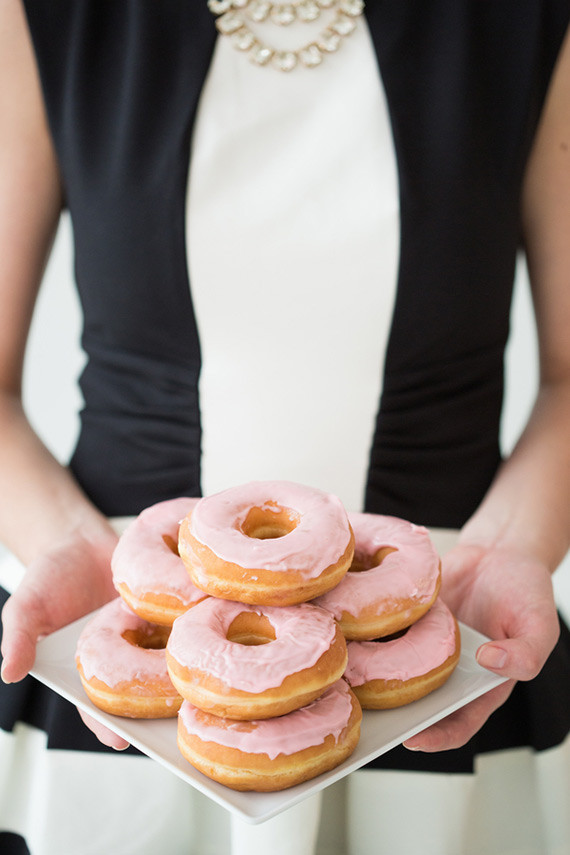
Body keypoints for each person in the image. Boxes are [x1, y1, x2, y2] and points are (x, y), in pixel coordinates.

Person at [1, 0, 569, 852]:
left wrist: (517, 545)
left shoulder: (528, 20)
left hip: (445, 650)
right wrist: (65, 542)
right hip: (123, 675)